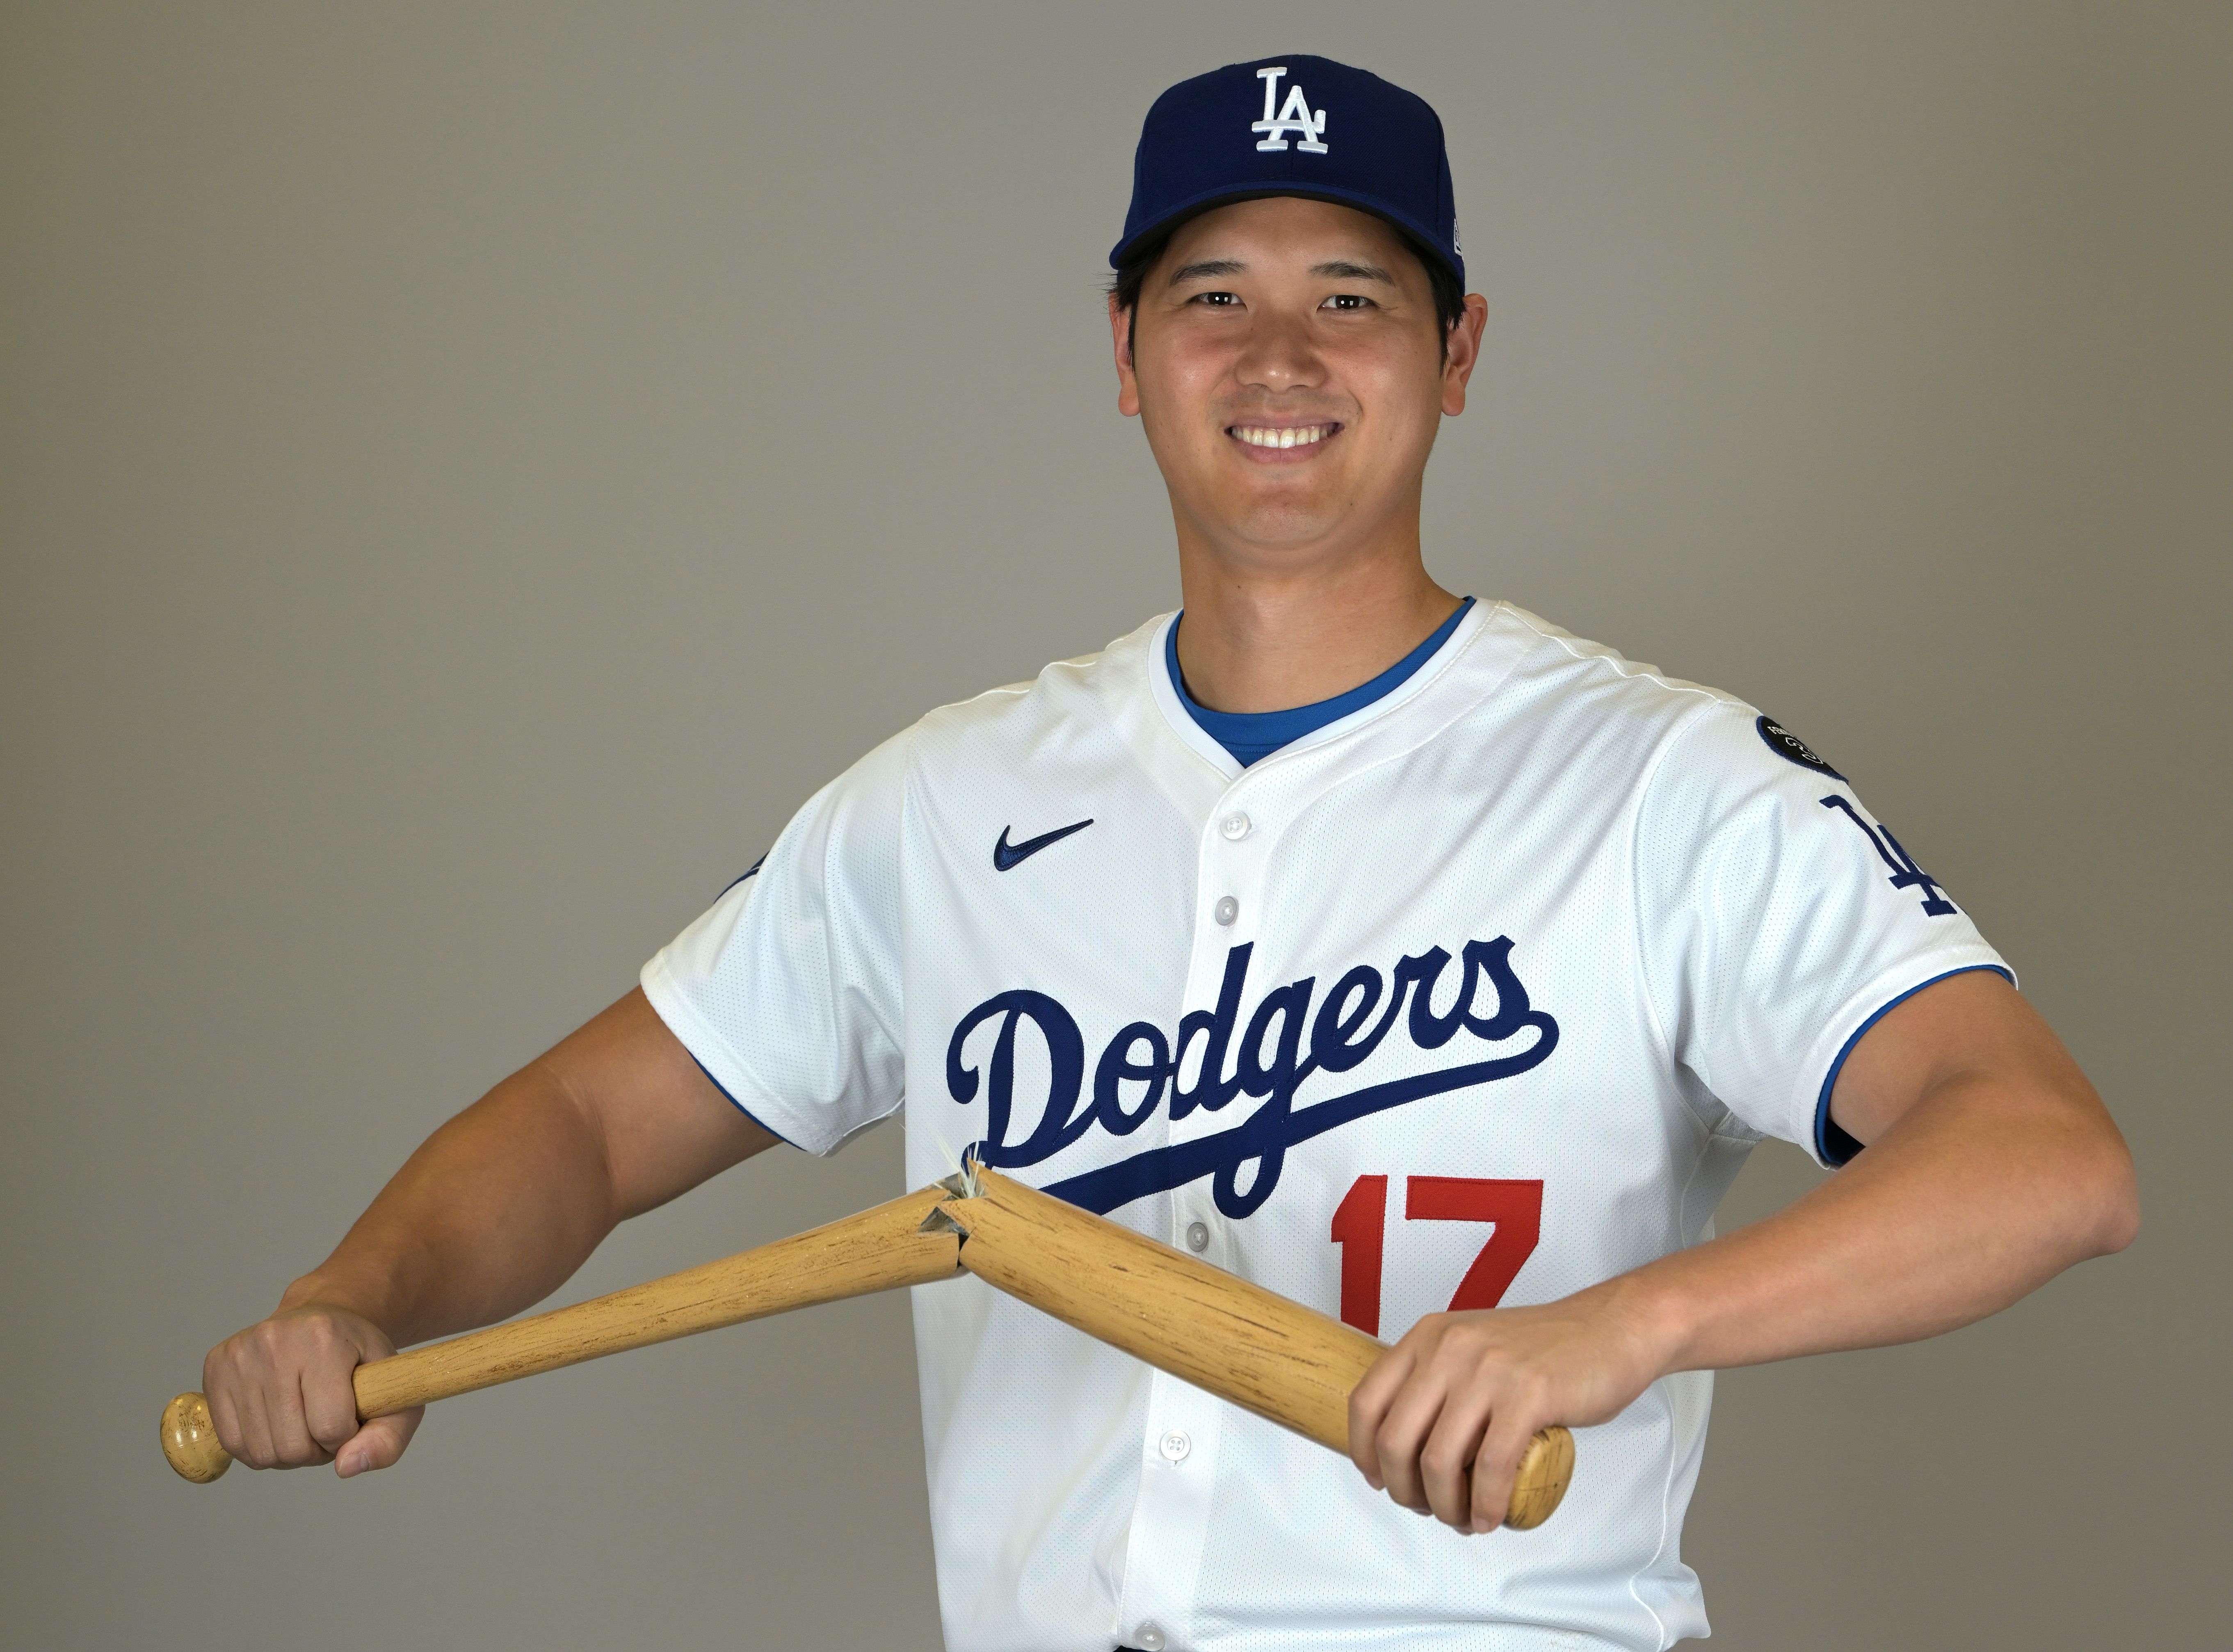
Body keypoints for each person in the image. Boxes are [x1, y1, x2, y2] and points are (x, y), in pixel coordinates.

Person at [202, 55, 2136, 1652]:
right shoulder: (944, 802)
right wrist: (363, 1293)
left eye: (1350, 296)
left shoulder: (1659, 780)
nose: (1276, 350)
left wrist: (1619, 1328)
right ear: (1125, 353)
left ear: (1456, 352)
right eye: (1212, 293)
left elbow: (2043, 1156)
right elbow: (591, 1125)